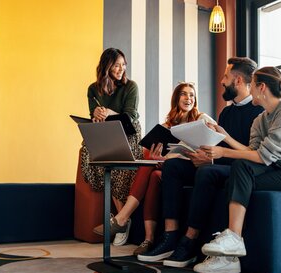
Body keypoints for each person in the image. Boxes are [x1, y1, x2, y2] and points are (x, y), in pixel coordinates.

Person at [194, 66, 281, 273]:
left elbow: (262, 157)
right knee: (233, 178)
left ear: (262, 87)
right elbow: (252, 152)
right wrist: (225, 137)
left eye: (252, 85)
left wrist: (223, 152)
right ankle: (229, 258)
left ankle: (233, 240)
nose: (249, 90)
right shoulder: (261, 119)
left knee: (240, 170)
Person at [137, 57, 264, 269]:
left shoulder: (259, 112)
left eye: (225, 76)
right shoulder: (227, 112)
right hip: (219, 163)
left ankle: (189, 241)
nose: (222, 81)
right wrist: (203, 156)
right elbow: (215, 145)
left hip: (241, 170)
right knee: (173, 167)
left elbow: (252, 154)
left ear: (238, 80)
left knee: (206, 173)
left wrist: (211, 160)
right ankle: (170, 236)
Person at [92, 82, 216, 254]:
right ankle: (148, 239)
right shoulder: (166, 126)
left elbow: (216, 142)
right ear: (176, 98)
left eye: (192, 95)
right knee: (152, 168)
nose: (188, 98)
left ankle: (122, 218)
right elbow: (163, 156)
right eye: (184, 94)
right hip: (172, 169)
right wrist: (160, 158)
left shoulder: (202, 119)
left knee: (151, 163)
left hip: (195, 168)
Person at [80, 48, 143, 222]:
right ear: (107, 66)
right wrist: (97, 115)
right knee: (88, 151)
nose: (121, 68)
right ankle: (122, 221)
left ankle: (120, 221)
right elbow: (94, 114)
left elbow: (130, 116)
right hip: (106, 132)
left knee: (117, 168)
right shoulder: (93, 89)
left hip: (128, 133)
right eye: (116, 65)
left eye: (123, 65)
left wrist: (109, 112)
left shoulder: (131, 86)